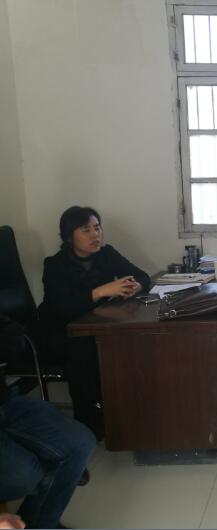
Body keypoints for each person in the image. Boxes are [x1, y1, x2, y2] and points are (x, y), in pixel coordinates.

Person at [39, 206, 150, 440]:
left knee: (127, 342)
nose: (95, 235)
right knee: (86, 350)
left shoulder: (106, 254)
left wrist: (135, 287)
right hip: (60, 332)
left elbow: (142, 276)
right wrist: (101, 291)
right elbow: (64, 308)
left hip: (95, 325)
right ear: (69, 236)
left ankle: (126, 412)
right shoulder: (54, 265)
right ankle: (90, 422)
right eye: (86, 230)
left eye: (97, 228)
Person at [1, 314, 95, 529]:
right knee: (23, 474)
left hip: (5, 402)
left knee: (80, 443)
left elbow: (13, 332)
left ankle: (42, 524)